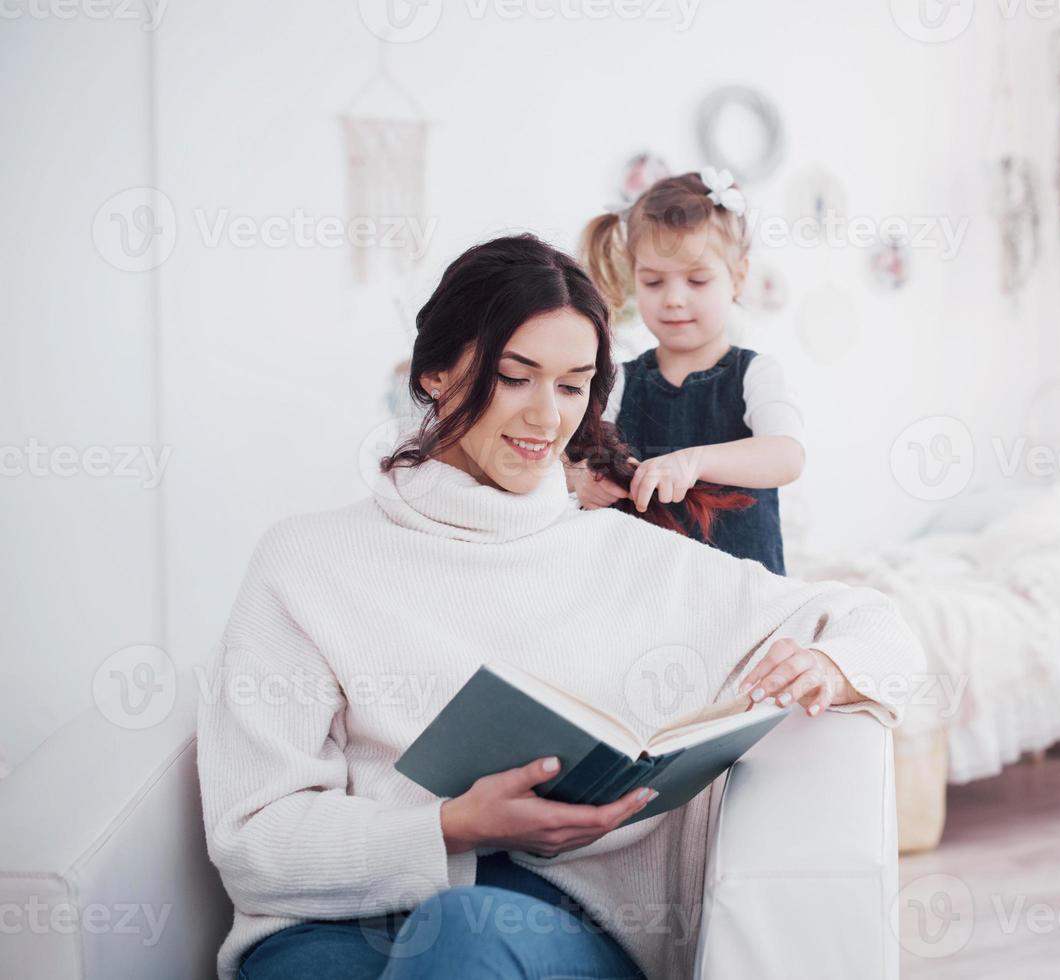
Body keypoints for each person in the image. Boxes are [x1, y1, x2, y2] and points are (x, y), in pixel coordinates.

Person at [197, 235, 923, 980]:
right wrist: (449, 828)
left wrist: (829, 665)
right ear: (435, 373)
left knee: (467, 932)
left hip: (551, 931)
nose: (546, 417)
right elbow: (253, 841)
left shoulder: (633, 558)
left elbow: (880, 626)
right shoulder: (306, 563)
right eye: (516, 378)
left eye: (573, 386)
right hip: (332, 927)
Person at [571, 167, 803, 574]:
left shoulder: (754, 373)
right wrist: (582, 481)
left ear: (737, 278)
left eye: (696, 280)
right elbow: (575, 458)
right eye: (654, 282)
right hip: (644, 593)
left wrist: (694, 462)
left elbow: (786, 456)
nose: (674, 299)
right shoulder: (619, 381)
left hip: (745, 597)